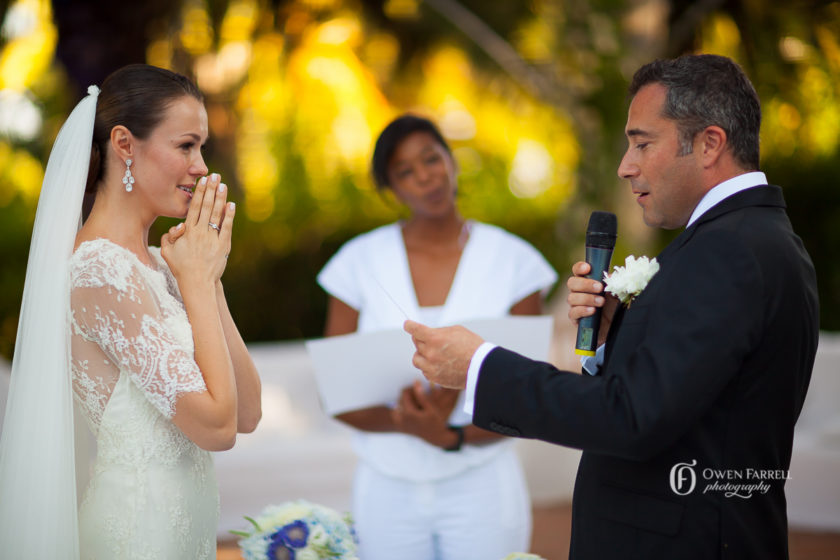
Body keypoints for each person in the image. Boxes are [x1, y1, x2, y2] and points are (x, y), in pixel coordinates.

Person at [405, 54, 819, 559]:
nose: (626, 166)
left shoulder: (728, 251)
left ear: (710, 144)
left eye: (643, 143)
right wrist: (613, 336)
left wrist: (479, 367)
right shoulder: (750, 240)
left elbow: (633, 419)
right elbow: (686, 400)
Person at [0, 64, 262, 558]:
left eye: (200, 148)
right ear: (124, 145)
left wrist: (207, 281)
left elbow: (247, 413)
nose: (201, 166)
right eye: (186, 145)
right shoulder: (100, 270)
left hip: (186, 535)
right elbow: (217, 428)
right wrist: (199, 284)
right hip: (139, 535)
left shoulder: (168, 266)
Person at [317, 114, 557, 559]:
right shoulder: (357, 263)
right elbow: (337, 390)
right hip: (387, 485)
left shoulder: (515, 262)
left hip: (482, 482)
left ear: (452, 161)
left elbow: (529, 393)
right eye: (405, 171)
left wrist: (452, 437)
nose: (425, 176)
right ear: (391, 189)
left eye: (431, 159)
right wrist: (406, 424)